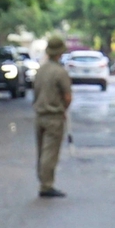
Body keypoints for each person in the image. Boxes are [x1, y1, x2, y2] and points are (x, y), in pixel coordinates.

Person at [32, 35, 72, 198]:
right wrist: (63, 109)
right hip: (54, 117)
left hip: (39, 115)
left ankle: (42, 180)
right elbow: (67, 96)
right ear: (60, 53)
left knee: (41, 151)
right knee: (50, 152)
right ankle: (46, 185)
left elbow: (35, 92)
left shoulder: (40, 71)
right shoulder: (60, 72)